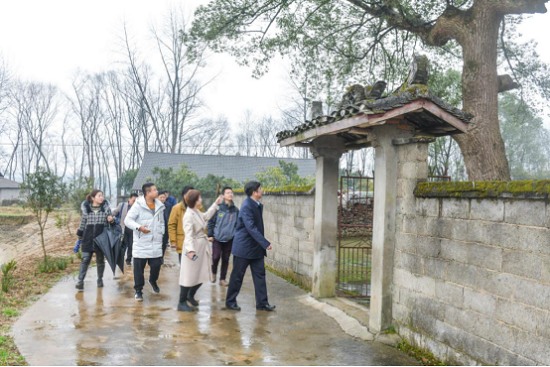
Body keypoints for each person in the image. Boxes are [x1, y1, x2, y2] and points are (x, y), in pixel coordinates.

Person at [225, 181, 275, 311]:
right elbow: (251, 228)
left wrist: (261, 244)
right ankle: (230, 301)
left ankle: (262, 303)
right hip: (244, 248)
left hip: (255, 248)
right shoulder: (247, 206)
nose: (262, 190)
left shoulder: (256, 204)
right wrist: (265, 242)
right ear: (254, 192)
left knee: (260, 276)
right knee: (237, 276)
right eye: (260, 189)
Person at [178, 190, 223, 312]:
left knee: (202, 274)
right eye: (199, 198)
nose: (201, 200)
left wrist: (215, 204)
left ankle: (190, 296)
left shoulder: (196, 212)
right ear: (194, 201)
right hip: (192, 248)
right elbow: (188, 235)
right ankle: (181, 302)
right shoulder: (188, 215)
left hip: (201, 247)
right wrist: (191, 251)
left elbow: (206, 216)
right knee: (189, 275)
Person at [124, 183, 165, 302]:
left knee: (156, 265)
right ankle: (138, 291)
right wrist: (139, 227)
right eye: (155, 190)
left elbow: (161, 222)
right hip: (141, 243)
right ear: (148, 193)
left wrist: (161, 232)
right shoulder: (138, 205)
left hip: (155, 243)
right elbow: (127, 220)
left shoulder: (160, 205)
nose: (157, 191)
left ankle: (153, 281)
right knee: (138, 270)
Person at [76, 189, 115, 291]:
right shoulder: (86, 209)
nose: (101, 197)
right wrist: (79, 236)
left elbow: (111, 223)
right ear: (93, 198)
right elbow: (83, 223)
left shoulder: (106, 209)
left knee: (100, 261)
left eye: (102, 195)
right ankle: (80, 281)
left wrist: (112, 220)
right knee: (85, 260)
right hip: (87, 238)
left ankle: (100, 279)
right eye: (99, 196)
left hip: (101, 239)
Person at [207, 187, 239, 286]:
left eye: (231, 193)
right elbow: (210, 222)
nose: (230, 194)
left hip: (229, 239)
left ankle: (222, 279)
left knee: (226, 259)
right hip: (217, 238)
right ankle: (213, 273)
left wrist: (235, 236)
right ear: (223, 195)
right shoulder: (218, 208)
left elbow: (238, 224)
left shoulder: (235, 210)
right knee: (215, 257)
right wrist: (210, 234)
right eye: (228, 193)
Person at [167, 186, 204, 264]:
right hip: (183, 242)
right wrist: (173, 241)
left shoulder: (199, 208)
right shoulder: (176, 208)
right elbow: (172, 225)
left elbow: (203, 224)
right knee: (184, 266)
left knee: (196, 264)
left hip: (197, 242)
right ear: (184, 196)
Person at [111, 193, 138, 266]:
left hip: (132, 230)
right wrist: (109, 216)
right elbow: (114, 212)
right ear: (129, 199)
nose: (135, 202)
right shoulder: (122, 205)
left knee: (131, 245)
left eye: (136, 200)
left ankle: (128, 259)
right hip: (123, 228)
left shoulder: (138, 208)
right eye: (133, 200)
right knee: (122, 244)